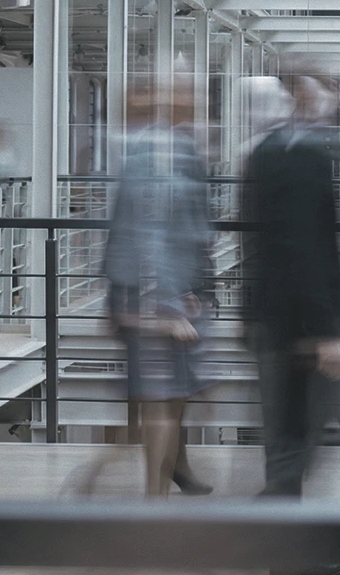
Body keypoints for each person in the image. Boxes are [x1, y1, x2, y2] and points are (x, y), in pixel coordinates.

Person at [102, 79, 214, 498]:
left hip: (167, 289)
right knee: (161, 400)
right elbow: (144, 233)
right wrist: (162, 309)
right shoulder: (159, 152)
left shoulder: (160, 147)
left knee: (176, 393)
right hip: (153, 296)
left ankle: (176, 472)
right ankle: (154, 502)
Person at [241, 73, 340, 498]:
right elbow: (306, 244)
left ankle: (281, 524)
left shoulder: (264, 152)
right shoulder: (305, 155)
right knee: (299, 431)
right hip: (300, 323)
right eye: (326, 93)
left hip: (271, 313)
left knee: (287, 430)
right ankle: (283, 535)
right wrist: (324, 330)